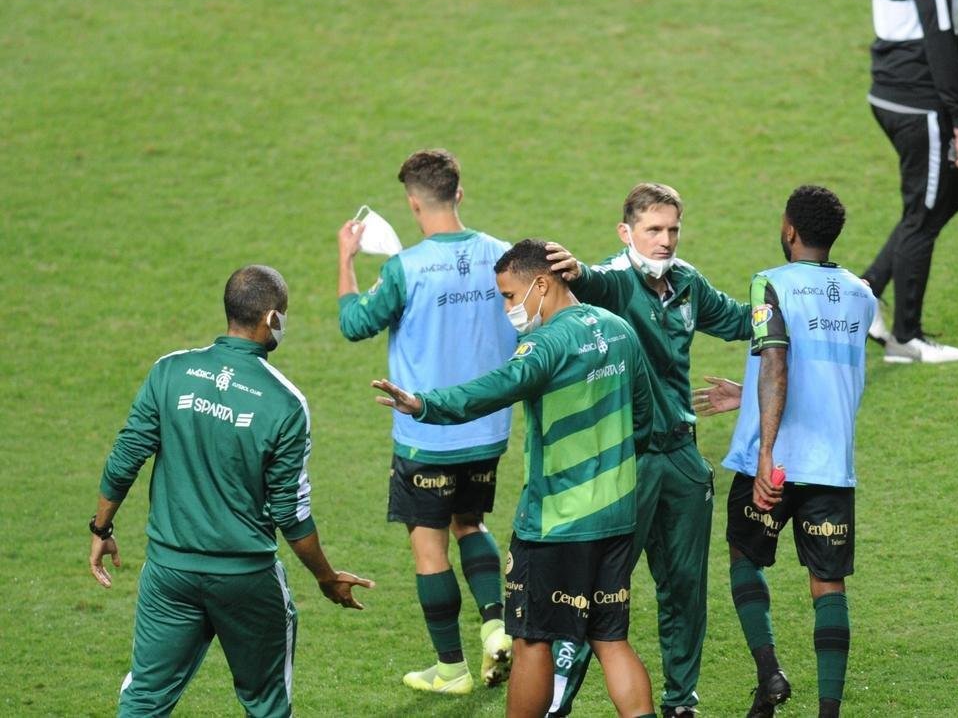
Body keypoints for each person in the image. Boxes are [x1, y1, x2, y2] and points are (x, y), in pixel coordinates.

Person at [372, 238, 658, 718]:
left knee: (530, 639)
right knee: (611, 639)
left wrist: (424, 404)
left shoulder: (547, 343)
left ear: (542, 284)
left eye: (509, 295)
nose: (507, 307)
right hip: (617, 516)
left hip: (556, 524)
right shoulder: (618, 329)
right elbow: (645, 422)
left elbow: (498, 387)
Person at [88, 265, 374, 717]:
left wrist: (101, 527)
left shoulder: (170, 372)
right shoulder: (284, 403)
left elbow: (126, 457)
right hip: (246, 579)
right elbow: (290, 512)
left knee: (144, 698)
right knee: (266, 705)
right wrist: (325, 576)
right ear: (273, 320)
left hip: (169, 574)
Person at [546, 182, 753, 718]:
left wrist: (789, 303)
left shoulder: (686, 283)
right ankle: (554, 703)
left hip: (682, 460)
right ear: (627, 232)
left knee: (685, 589)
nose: (665, 241)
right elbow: (590, 281)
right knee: (597, 592)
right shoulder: (613, 281)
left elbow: (740, 322)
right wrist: (574, 270)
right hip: (628, 462)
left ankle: (681, 703)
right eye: (653, 230)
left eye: (672, 230)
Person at [337, 148, 516, 694]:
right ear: (458, 194)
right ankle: (495, 627)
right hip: (487, 431)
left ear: (413, 203)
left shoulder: (405, 268)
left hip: (424, 437)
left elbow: (353, 323)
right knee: (472, 524)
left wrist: (346, 258)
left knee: (429, 545)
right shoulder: (504, 256)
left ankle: (451, 670)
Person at [700, 186, 873, 718]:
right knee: (828, 584)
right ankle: (827, 712)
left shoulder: (769, 283)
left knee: (744, 557)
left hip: (775, 461)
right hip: (832, 466)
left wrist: (766, 450)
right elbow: (821, 370)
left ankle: (769, 672)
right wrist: (746, 395)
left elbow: (776, 361)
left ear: (790, 230)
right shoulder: (862, 294)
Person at [863, 0, 958, 363]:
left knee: (948, 195)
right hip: (918, 103)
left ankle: (867, 293)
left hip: (891, 95)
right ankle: (905, 339)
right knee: (926, 210)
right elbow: (940, 37)